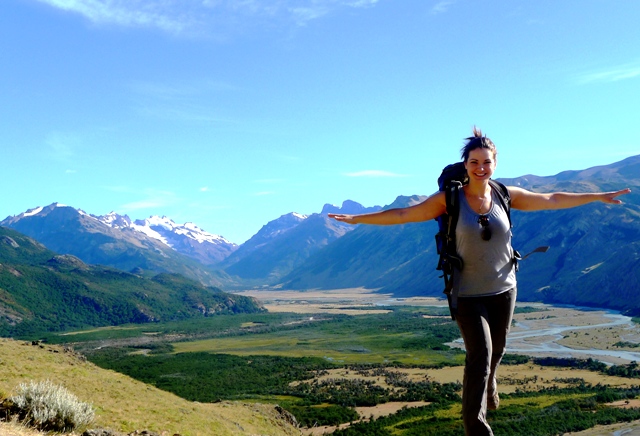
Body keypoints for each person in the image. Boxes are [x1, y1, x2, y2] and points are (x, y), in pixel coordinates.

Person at [328, 127, 631, 436]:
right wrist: (357, 219)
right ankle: (477, 428)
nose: (481, 168)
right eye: (474, 162)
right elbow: (405, 213)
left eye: (486, 162)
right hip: (468, 294)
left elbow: (551, 198)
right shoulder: (450, 200)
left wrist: (597, 197)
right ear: (466, 164)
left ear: (495, 163)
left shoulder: (504, 194)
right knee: (481, 356)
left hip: (504, 289)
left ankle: (490, 383)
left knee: (496, 351)